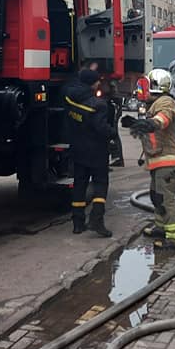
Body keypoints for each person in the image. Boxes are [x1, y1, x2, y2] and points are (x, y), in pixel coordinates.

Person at [126, 69, 175, 250]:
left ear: (155, 85)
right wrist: (138, 124)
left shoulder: (166, 102)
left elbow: (163, 119)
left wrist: (149, 123)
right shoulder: (156, 102)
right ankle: (161, 227)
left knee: (165, 199)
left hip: (168, 161)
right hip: (160, 160)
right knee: (156, 196)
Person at [65, 68, 116, 237]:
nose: (99, 83)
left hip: (78, 150)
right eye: (97, 81)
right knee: (100, 184)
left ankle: (77, 224)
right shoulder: (98, 105)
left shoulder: (69, 98)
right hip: (97, 152)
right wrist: (113, 132)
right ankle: (96, 220)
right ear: (92, 83)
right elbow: (101, 128)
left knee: (79, 185)